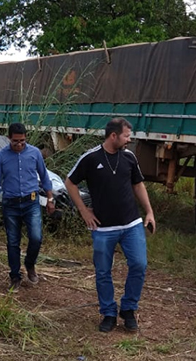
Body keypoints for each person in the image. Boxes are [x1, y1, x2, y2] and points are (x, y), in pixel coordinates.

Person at [65, 117, 156, 332]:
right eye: (126, 136)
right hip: (103, 228)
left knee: (139, 264)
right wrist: (83, 210)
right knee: (103, 271)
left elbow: (138, 185)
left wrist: (149, 212)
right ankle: (108, 312)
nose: (129, 139)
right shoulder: (91, 157)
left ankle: (128, 309)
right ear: (113, 136)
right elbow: (70, 182)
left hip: (131, 224)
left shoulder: (129, 157)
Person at [0, 123, 55, 291]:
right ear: (9, 138)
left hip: (30, 202)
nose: (19, 144)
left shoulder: (34, 153)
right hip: (10, 204)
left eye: (22, 141)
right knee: (12, 242)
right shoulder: (1, 157)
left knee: (36, 237)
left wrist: (50, 198)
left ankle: (30, 264)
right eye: (15, 141)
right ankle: (15, 276)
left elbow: (44, 176)